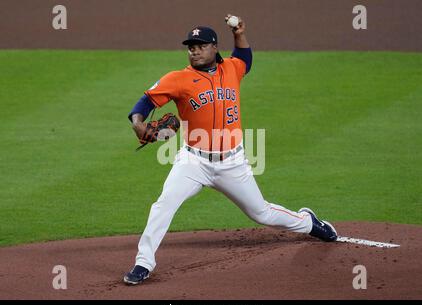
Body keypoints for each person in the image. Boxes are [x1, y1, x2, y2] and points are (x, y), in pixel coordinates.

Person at [123, 14, 337, 285]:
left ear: (214, 48)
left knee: (262, 213)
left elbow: (245, 57)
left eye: (200, 45)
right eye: (191, 46)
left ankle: (308, 223)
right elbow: (144, 102)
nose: (194, 50)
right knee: (163, 205)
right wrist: (137, 124)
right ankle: (144, 262)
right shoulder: (178, 79)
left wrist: (238, 32)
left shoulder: (232, 69)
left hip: (232, 163)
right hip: (193, 162)